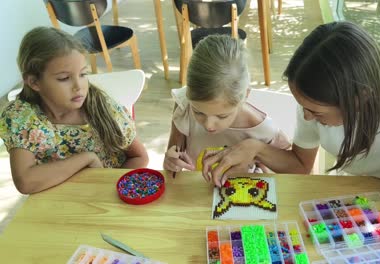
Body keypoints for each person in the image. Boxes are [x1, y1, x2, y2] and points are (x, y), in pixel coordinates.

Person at [201, 21, 380, 187]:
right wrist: (255, 148)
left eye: (316, 113)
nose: (306, 118)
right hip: (352, 197)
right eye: (304, 107)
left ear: (360, 97)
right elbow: (300, 166)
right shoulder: (312, 99)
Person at [0, 27, 149, 194]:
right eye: (64, 78)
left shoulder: (101, 106)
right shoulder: (22, 118)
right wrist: (87, 158)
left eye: (83, 74)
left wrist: (108, 188)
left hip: (112, 193)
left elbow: (139, 156)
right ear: (34, 82)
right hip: (62, 201)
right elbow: (25, 182)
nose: (79, 86)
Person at [163, 35, 290, 178]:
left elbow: (282, 175)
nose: (209, 125)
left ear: (245, 96)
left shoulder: (262, 130)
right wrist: (171, 161)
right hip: (199, 190)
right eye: (198, 112)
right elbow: (172, 158)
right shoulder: (184, 104)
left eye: (222, 116)